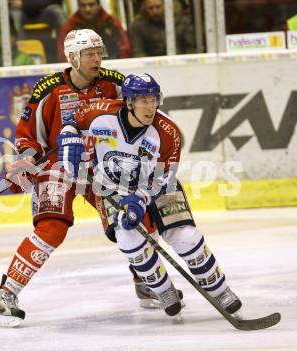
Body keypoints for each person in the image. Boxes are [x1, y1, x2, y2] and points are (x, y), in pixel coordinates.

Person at [0, 29, 160, 328]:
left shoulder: (114, 84)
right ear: (72, 57)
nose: (97, 59)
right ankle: (5, 297)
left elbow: (139, 117)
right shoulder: (49, 89)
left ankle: (145, 279)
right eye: (89, 54)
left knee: (135, 217)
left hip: (103, 168)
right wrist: (28, 156)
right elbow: (27, 134)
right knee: (51, 228)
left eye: (99, 53)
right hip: (58, 167)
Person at [57, 73, 242, 318]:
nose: (150, 106)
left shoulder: (167, 131)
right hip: (112, 188)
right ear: (129, 102)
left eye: (154, 99)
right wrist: (68, 134)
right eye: (143, 100)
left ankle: (220, 290)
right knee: (128, 239)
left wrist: (140, 198)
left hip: (158, 185)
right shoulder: (101, 113)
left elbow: (164, 177)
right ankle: (164, 290)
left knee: (184, 236)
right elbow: (72, 118)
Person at [57, 0, 131, 62]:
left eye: (91, 5)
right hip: (80, 70)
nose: (87, 9)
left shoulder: (112, 23)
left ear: (99, 6)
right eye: (83, 6)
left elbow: (125, 50)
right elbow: (63, 55)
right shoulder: (69, 27)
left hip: (113, 65)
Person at [129, 0, 195, 57]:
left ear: (167, 6)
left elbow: (191, 48)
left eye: (158, 7)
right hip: (153, 66)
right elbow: (138, 51)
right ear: (144, 9)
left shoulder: (183, 21)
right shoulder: (138, 25)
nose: (155, 11)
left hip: (181, 64)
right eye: (150, 8)